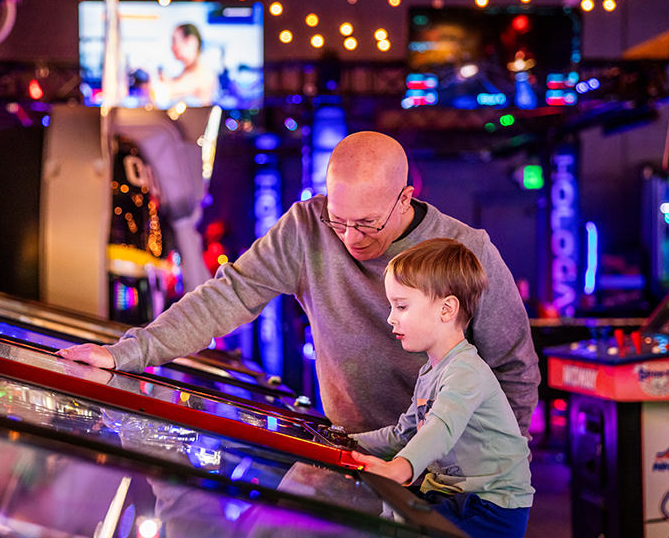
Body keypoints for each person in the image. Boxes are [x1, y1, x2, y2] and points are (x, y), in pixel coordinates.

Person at [57, 130, 540, 439]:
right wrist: (126, 353)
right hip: (353, 446)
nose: (350, 238)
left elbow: (514, 370)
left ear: (405, 198)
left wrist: (497, 473)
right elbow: (228, 295)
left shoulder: (468, 250)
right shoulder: (307, 227)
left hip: (447, 460)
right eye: (339, 220)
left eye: (366, 224)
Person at [349, 238, 534, 538]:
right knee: (384, 523)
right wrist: (343, 442)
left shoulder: (466, 372)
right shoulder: (431, 372)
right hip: (455, 495)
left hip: (493, 508)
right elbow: (404, 433)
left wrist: (400, 468)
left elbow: (440, 428)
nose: (390, 317)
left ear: (446, 309)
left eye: (401, 306)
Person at [147, 23, 217, 106]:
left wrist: (149, 81)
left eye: (174, 41)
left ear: (190, 41)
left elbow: (165, 92)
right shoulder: (188, 71)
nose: (172, 47)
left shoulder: (203, 74)